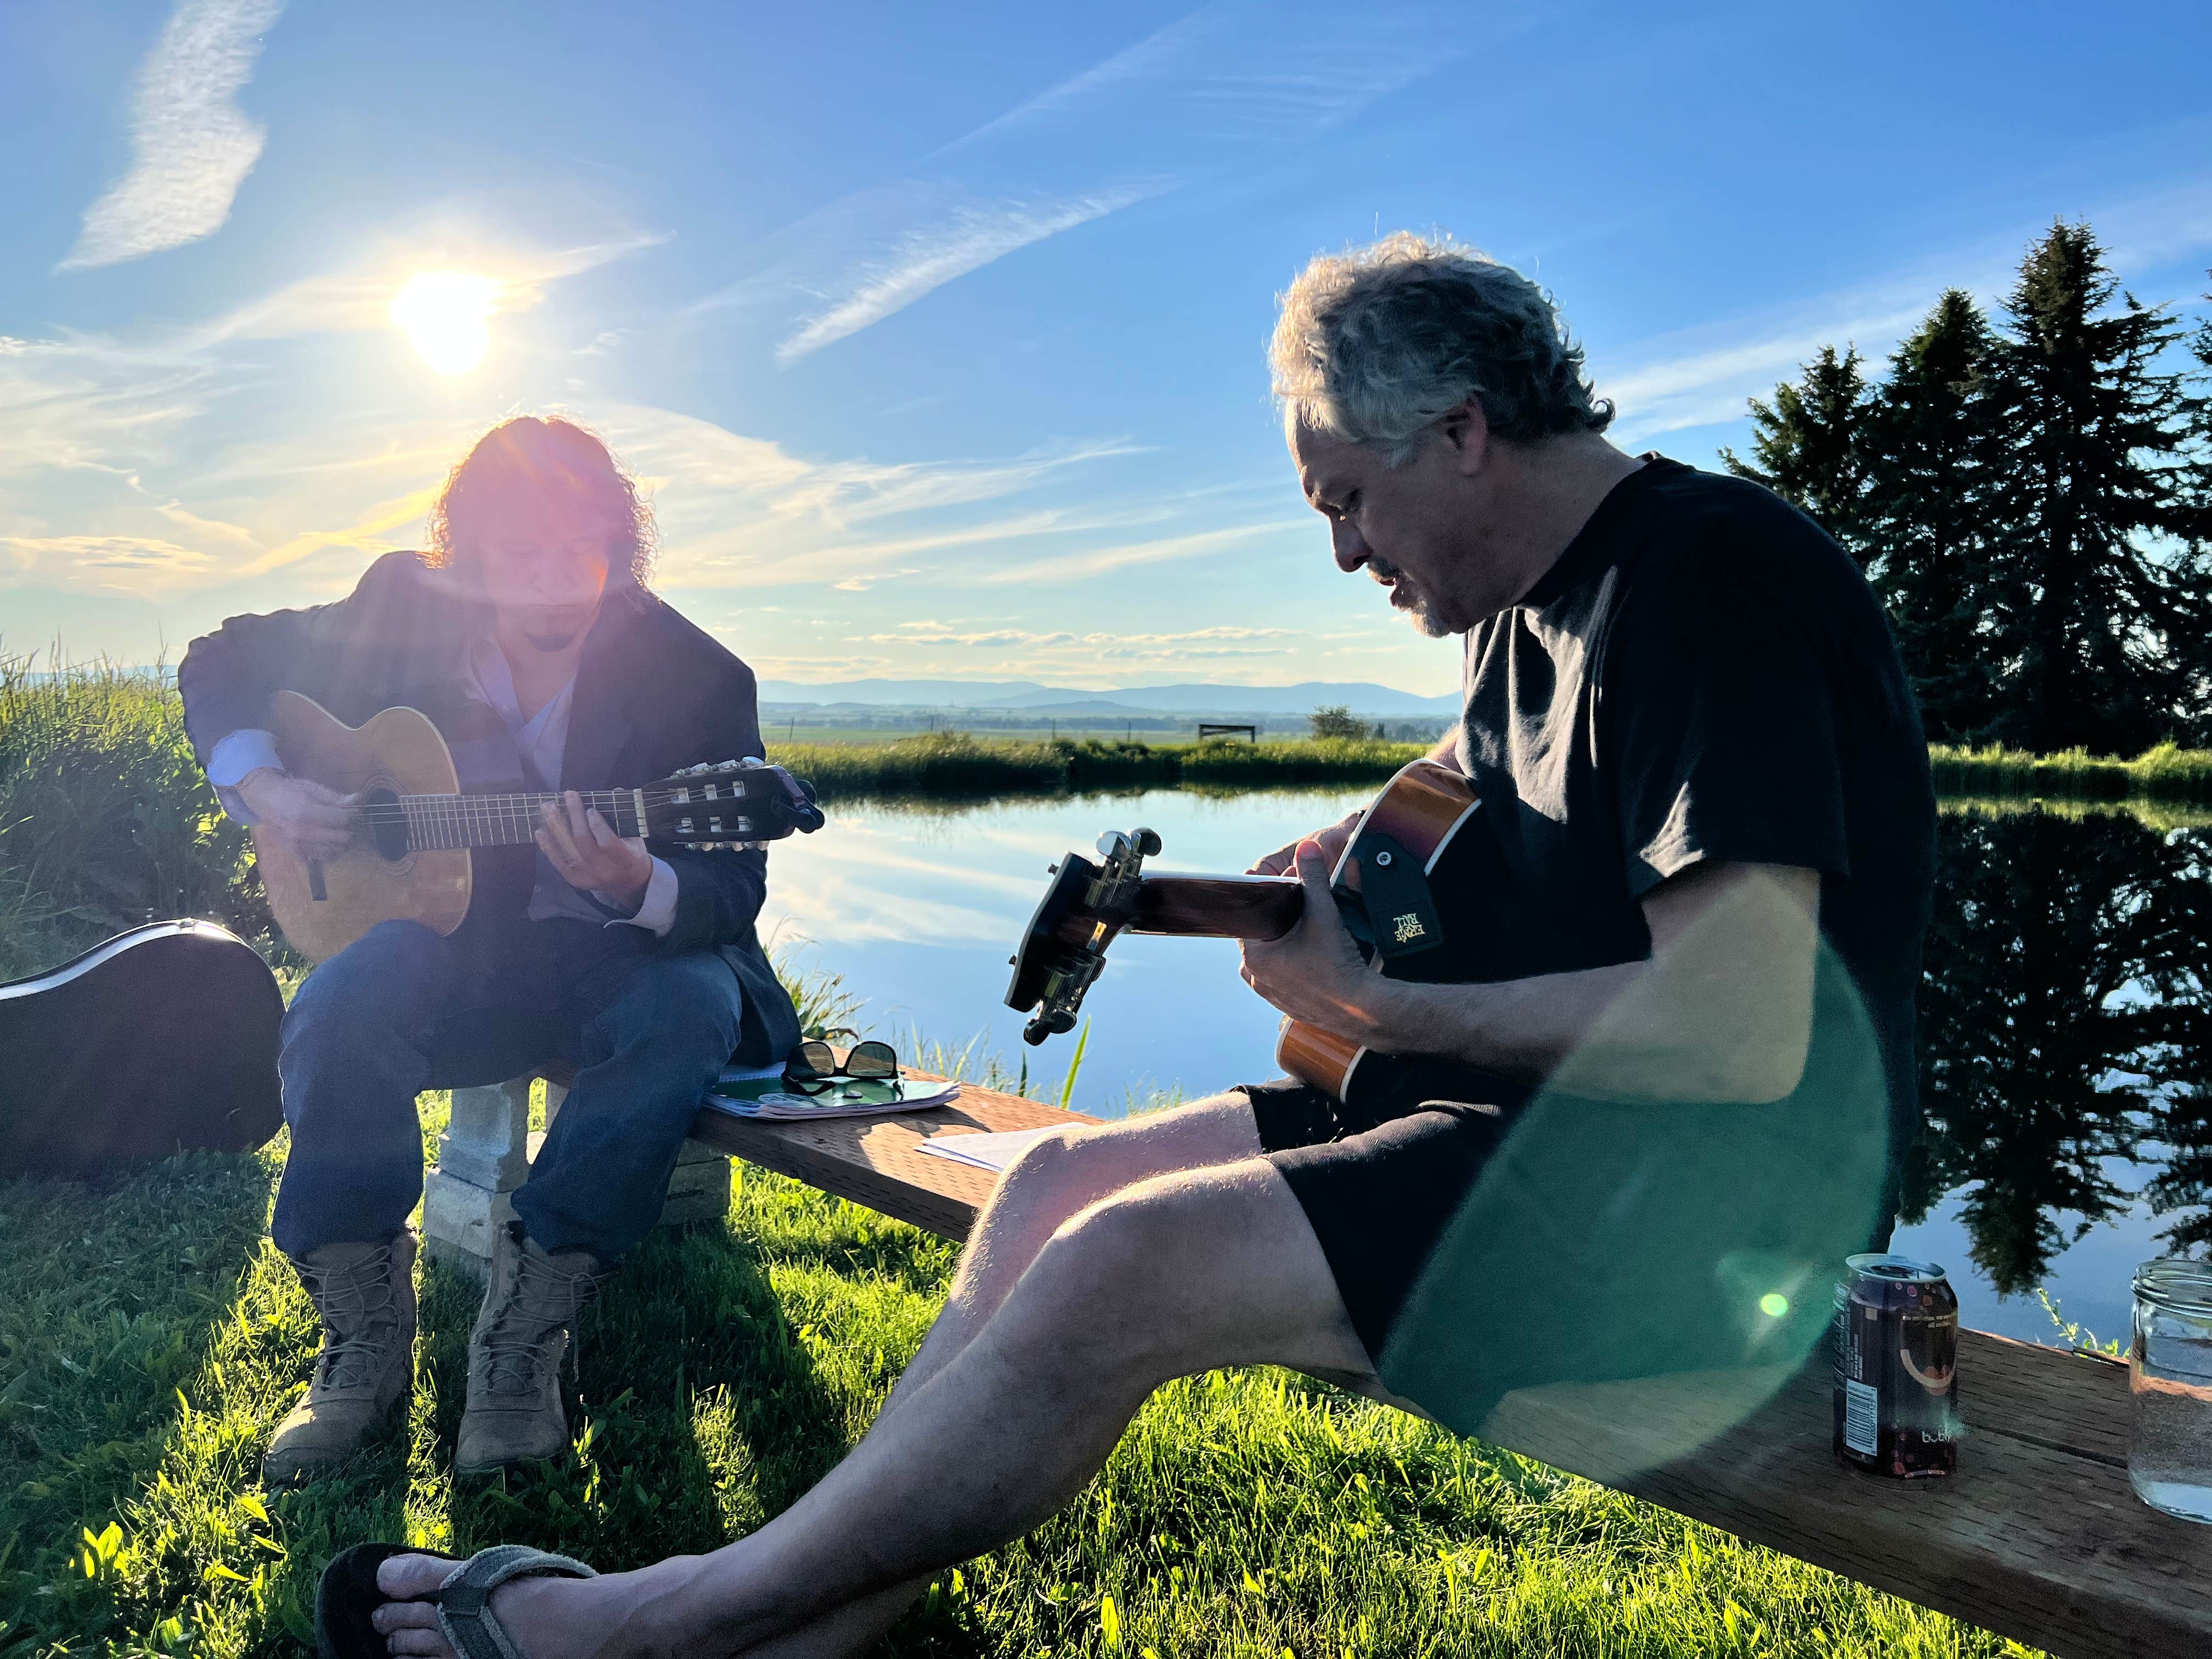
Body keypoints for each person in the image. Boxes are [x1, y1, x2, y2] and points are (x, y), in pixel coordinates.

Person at [345, 235, 1934, 1658]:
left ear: (1461, 431)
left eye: (1347, 500)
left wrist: (1379, 1003)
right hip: (1532, 1132)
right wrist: (1330, 905)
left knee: (1129, 1264)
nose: (1342, 553)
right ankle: (811, 1624)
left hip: (1709, 1203)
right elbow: (1503, 901)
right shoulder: (1527, 617)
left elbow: (1743, 1028)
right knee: (1050, 1185)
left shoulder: (1709, 580)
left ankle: (649, 1623)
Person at [180, 416, 799, 1485]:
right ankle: (362, 1342)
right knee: (340, 1001)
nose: (558, 585)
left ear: (620, 545)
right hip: (461, 950)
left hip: (620, 959)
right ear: (467, 560)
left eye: (582, 555)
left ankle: (526, 1338)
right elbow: (223, 660)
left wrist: (635, 880)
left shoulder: (696, 676)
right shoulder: (400, 610)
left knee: (690, 1005)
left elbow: (731, 886)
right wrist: (272, 788)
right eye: (522, 559)